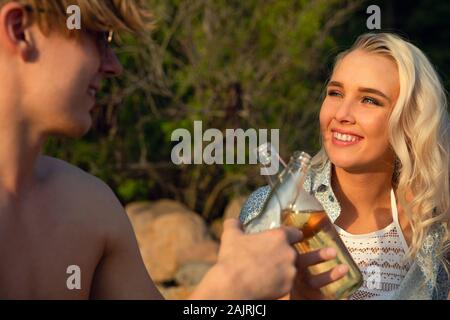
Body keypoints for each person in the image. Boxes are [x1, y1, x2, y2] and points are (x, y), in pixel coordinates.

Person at [0, 0, 303, 299]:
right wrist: (226, 293)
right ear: (20, 30)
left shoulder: (91, 207)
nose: (114, 66)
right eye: (97, 37)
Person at [241, 32, 450, 300]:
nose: (341, 114)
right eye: (336, 93)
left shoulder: (435, 222)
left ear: (410, 121)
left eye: (369, 100)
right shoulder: (270, 210)